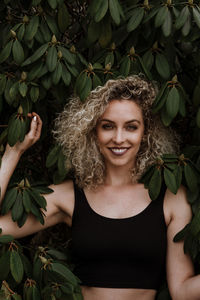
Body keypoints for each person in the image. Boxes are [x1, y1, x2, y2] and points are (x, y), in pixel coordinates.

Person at [0, 75, 200, 300]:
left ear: (146, 133)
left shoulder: (171, 198)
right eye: (107, 126)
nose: (118, 138)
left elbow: (182, 291)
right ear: (93, 132)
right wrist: (12, 153)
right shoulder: (69, 196)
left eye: (131, 127)